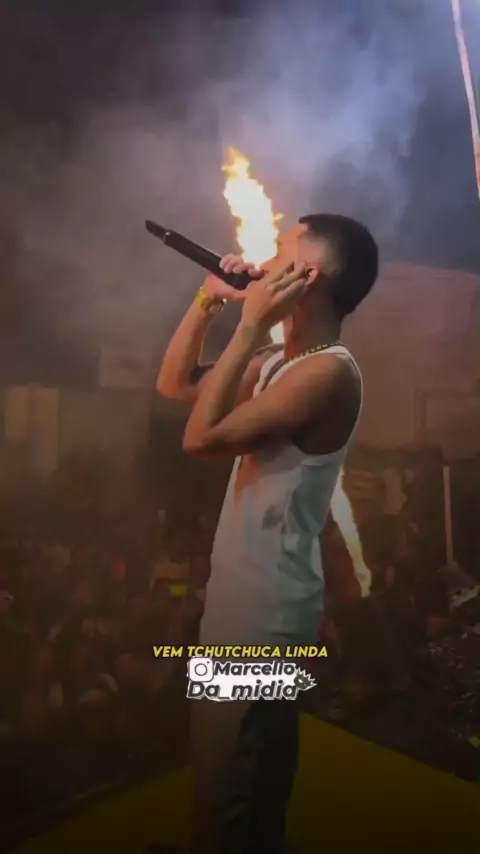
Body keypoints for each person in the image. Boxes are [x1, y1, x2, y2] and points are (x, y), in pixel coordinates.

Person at [157, 213, 378, 854]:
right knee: (251, 784)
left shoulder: (328, 373)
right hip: (256, 607)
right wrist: (209, 301)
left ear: (308, 276)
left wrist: (251, 324)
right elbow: (175, 385)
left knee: (226, 796)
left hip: (260, 619)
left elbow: (200, 439)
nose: (263, 258)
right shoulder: (281, 361)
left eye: (281, 249)